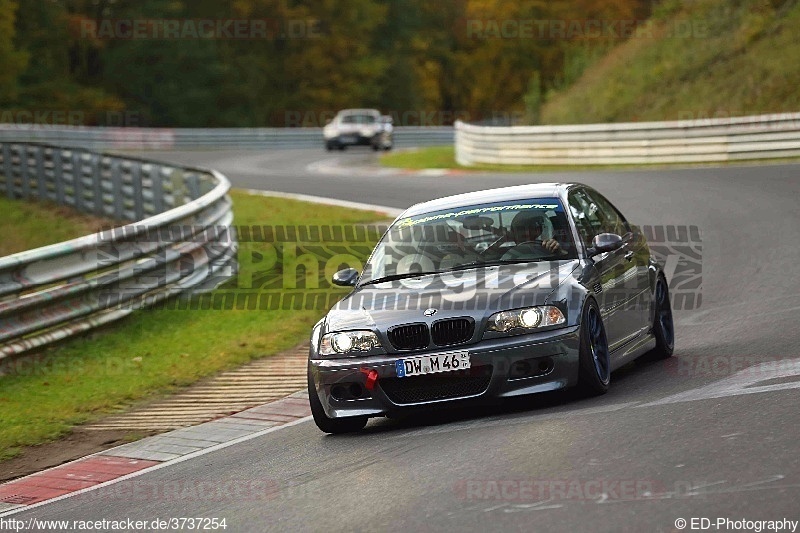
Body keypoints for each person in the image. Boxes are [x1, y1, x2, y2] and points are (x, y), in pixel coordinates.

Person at [501, 211, 567, 259]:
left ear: (540, 230)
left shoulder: (553, 248)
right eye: (521, 229)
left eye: (531, 228)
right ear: (513, 233)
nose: (527, 232)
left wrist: (559, 252)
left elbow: (572, 260)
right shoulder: (507, 255)